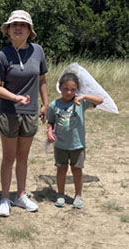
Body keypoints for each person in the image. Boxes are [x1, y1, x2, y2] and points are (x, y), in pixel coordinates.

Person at [0, 10, 49, 217]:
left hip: (31, 112)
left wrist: (45, 104)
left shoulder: (38, 51)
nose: (18, 27)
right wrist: (14, 97)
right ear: (8, 30)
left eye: (23, 25)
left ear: (29, 30)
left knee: (23, 157)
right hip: (9, 112)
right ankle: (5, 197)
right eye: (14, 24)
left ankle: (21, 195)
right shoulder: (2, 55)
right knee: (9, 157)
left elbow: (42, 79)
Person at [46, 72, 103, 209]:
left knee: (77, 170)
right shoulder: (54, 105)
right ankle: (60, 194)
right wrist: (49, 132)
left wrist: (84, 96)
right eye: (66, 89)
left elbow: (100, 100)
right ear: (60, 88)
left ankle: (78, 196)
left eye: (73, 89)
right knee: (61, 169)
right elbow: (50, 122)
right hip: (60, 145)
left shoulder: (81, 103)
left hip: (77, 145)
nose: (69, 92)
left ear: (77, 89)